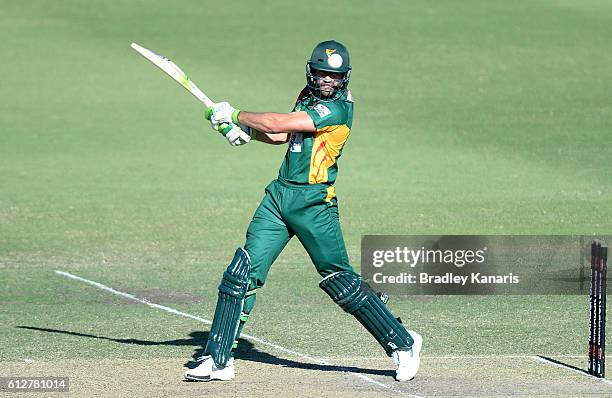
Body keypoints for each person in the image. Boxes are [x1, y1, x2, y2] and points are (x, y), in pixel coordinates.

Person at [184, 40, 422, 382]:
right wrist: (244, 132)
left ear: (345, 78)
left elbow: (277, 121)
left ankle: (402, 342)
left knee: (341, 281)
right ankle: (218, 359)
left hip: (314, 203)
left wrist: (234, 114)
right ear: (312, 72)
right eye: (323, 73)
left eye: (335, 76)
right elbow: (282, 135)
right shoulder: (306, 96)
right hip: (280, 197)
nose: (328, 81)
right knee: (241, 272)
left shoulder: (338, 109)